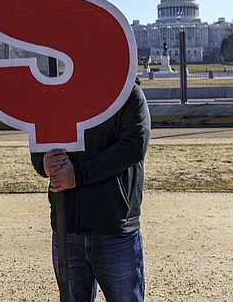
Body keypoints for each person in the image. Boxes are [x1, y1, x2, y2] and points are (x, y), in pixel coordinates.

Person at [31, 80, 151, 301]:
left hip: (114, 229)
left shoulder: (128, 94)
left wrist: (77, 176)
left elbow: (134, 146)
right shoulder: (60, 92)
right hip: (67, 228)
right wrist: (43, 161)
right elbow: (40, 138)